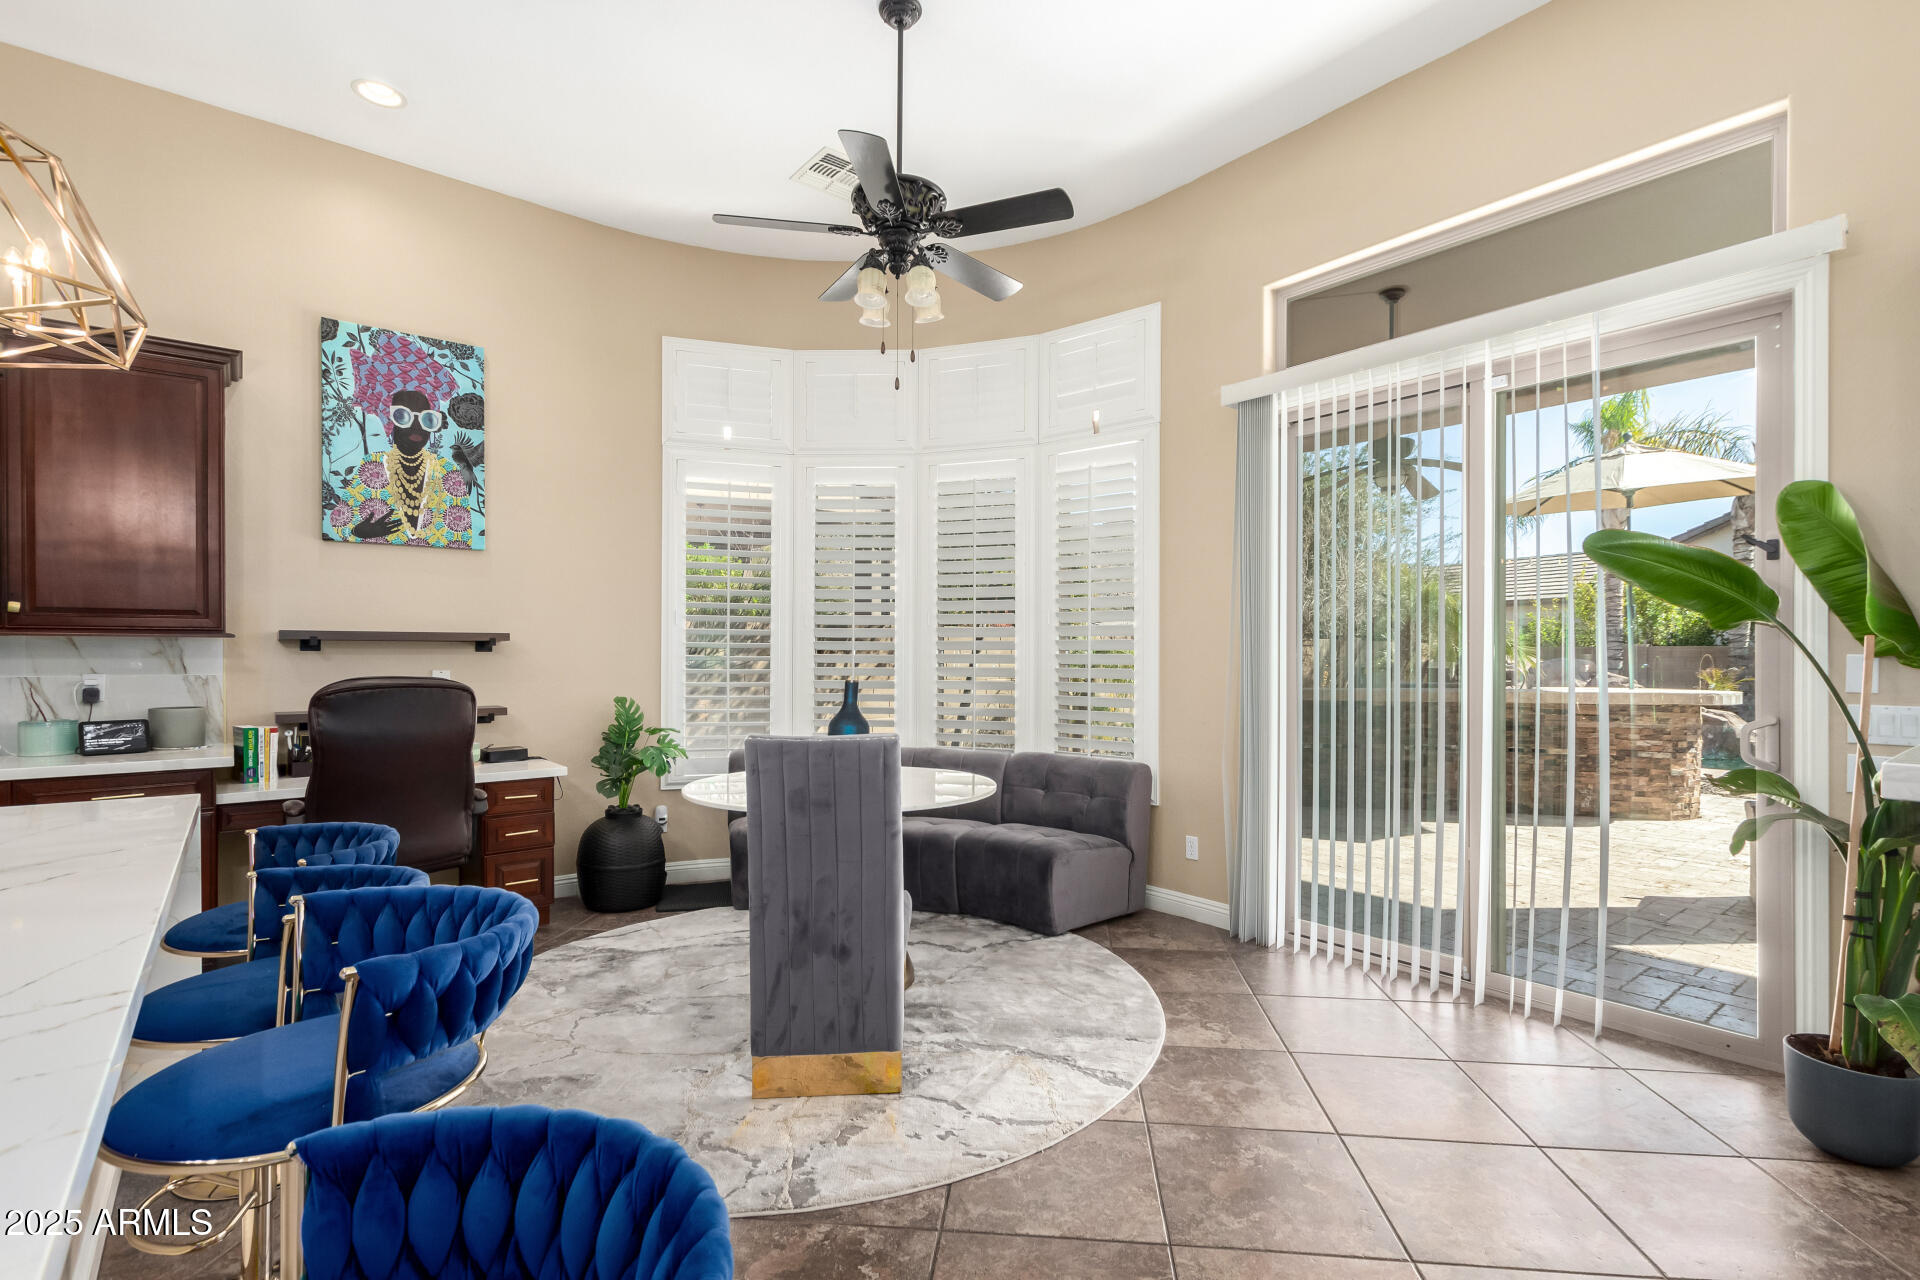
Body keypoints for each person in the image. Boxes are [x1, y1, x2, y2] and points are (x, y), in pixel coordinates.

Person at [334, 388, 478, 547]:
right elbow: (339, 524)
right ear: (390, 423)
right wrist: (358, 532)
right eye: (403, 416)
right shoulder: (371, 466)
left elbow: (463, 538)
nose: (417, 426)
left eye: (427, 419)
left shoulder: (447, 472)